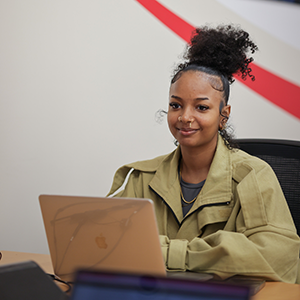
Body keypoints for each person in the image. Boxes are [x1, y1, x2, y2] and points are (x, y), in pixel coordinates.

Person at [107, 24, 300, 283]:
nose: (185, 117)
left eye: (201, 107)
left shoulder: (252, 175)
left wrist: (169, 253)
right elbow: (109, 245)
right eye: (176, 105)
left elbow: (279, 257)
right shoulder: (141, 177)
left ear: (224, 115)